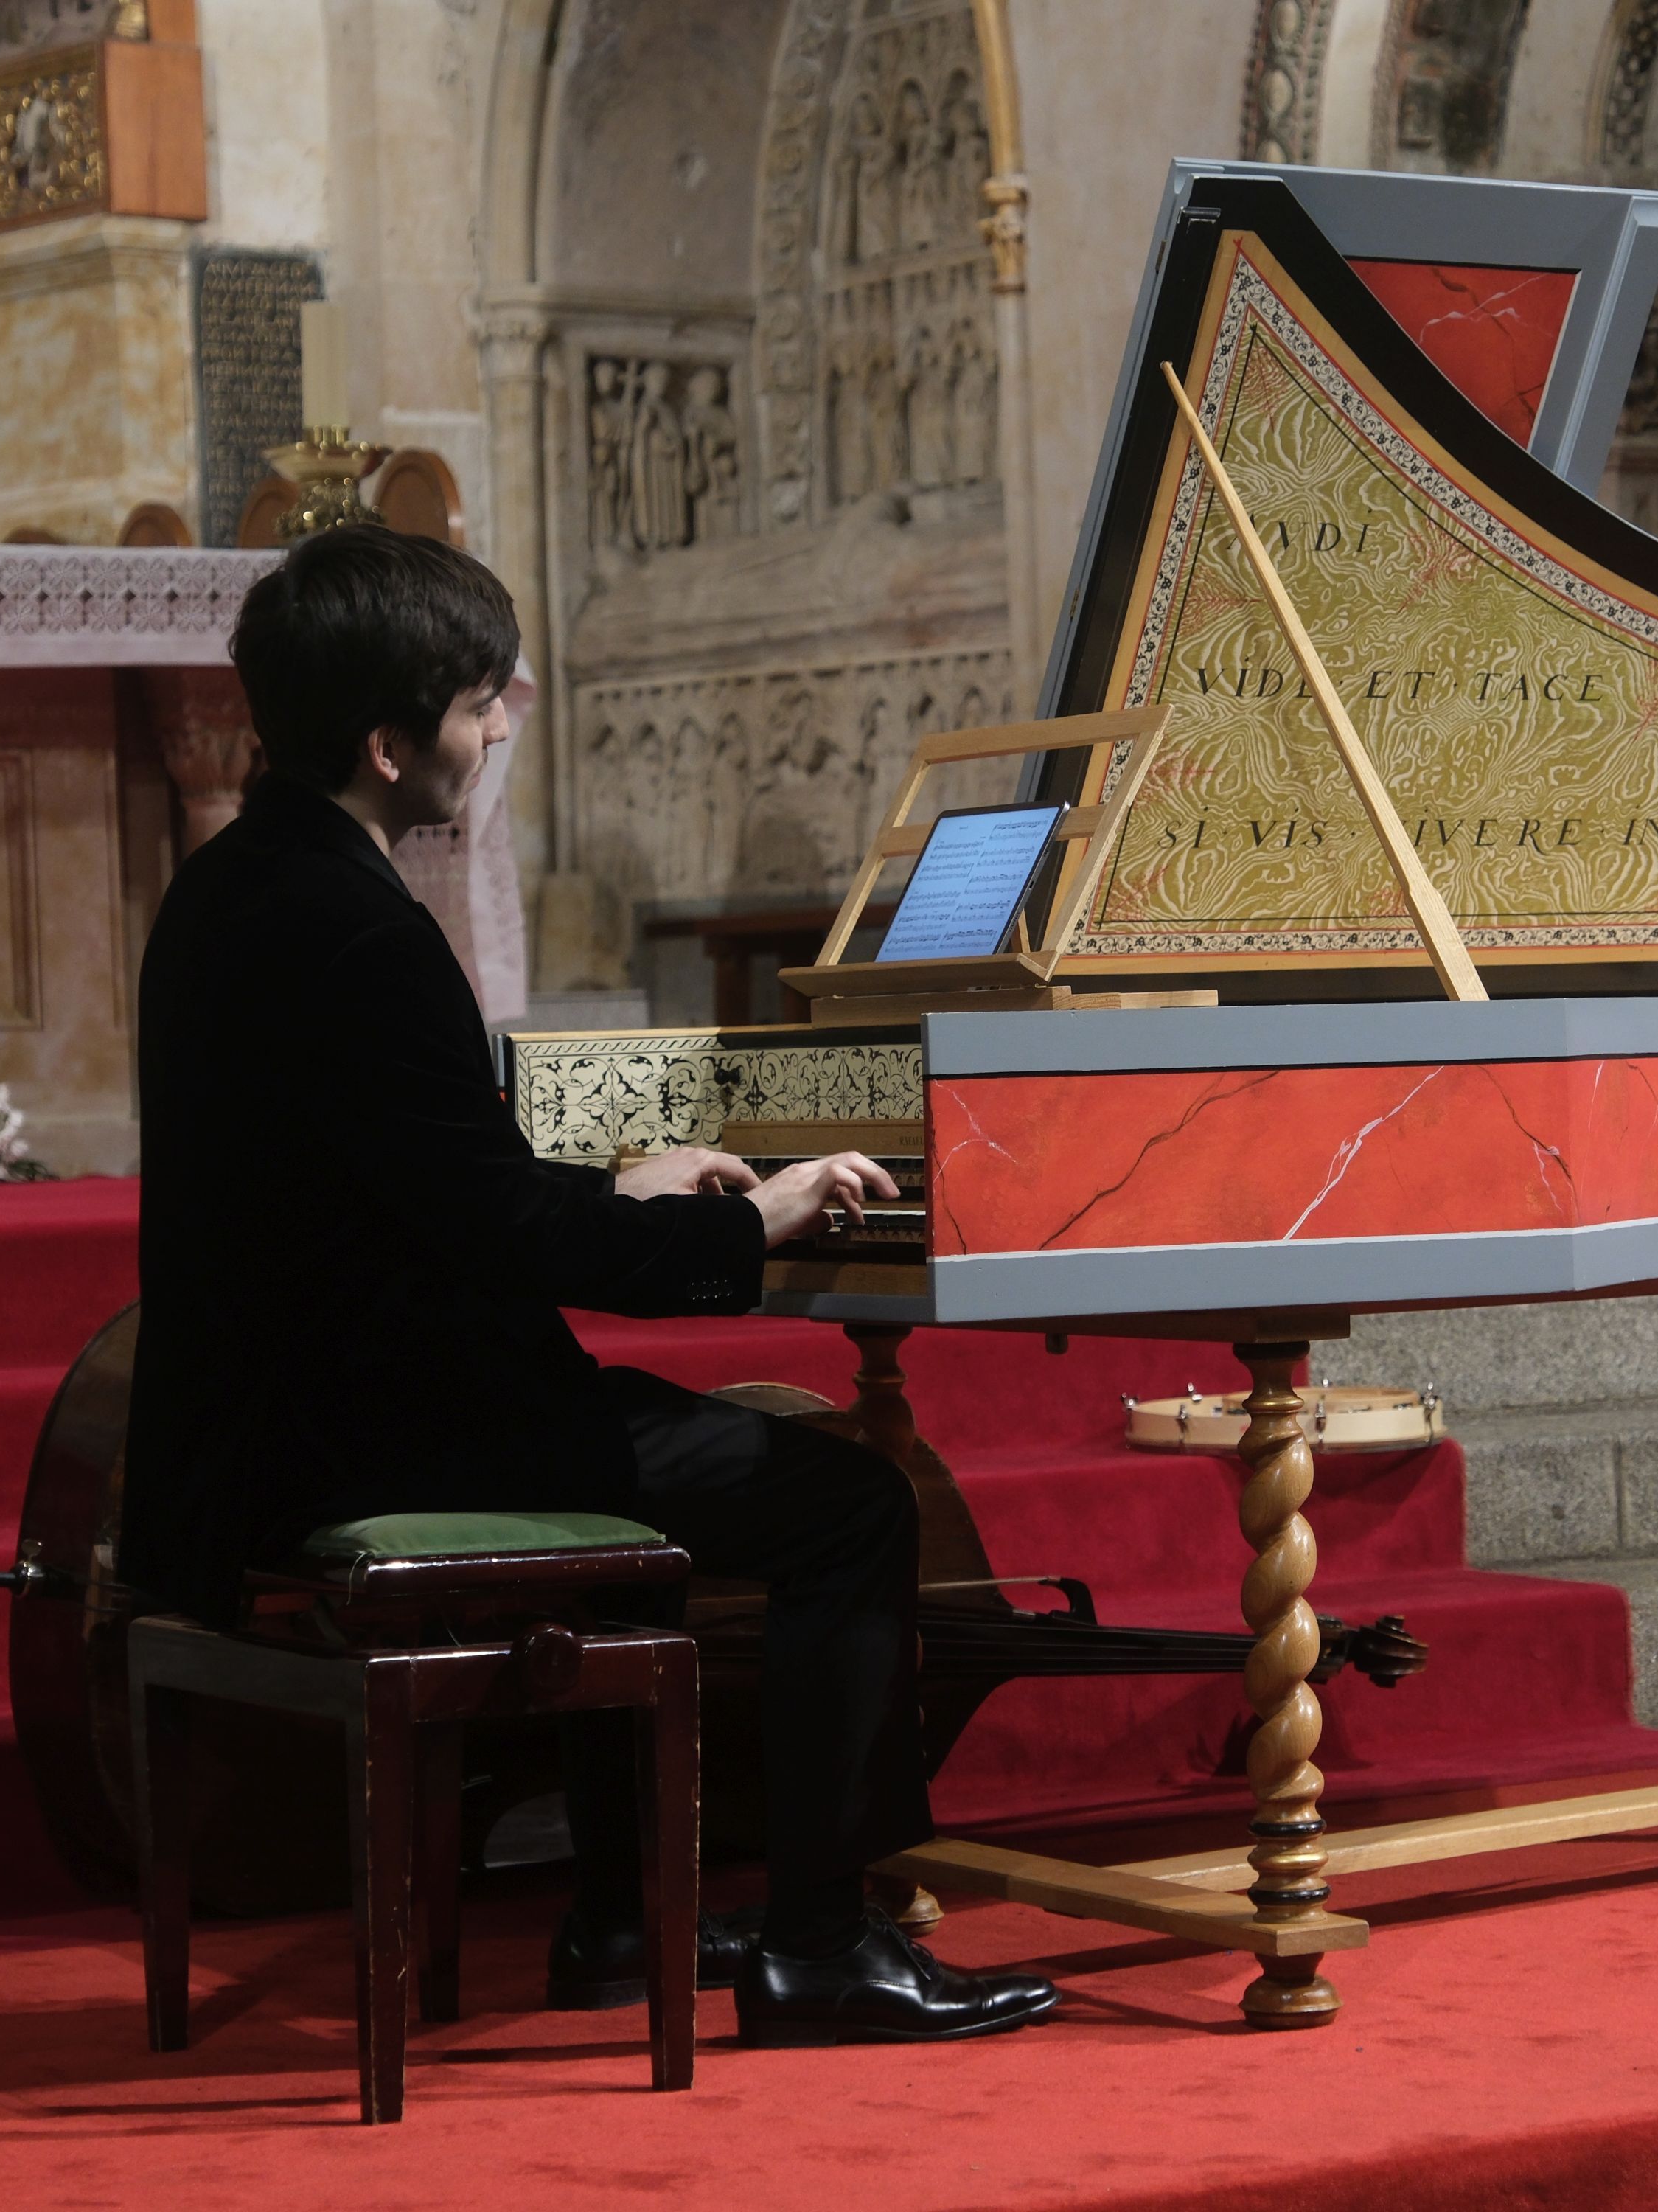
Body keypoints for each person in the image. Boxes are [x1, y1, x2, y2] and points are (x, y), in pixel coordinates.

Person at [119, 525, 1057, 2048]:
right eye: (481, 704)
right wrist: (755, 1224)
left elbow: (410, 1186)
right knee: (850, 1508)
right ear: (387, 738)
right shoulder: (359, 928)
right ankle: (825, 1945)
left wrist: (620, 1182)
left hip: (276, 1418)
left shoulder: (234, 888)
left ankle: (627, 1925)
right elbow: (502, 1238)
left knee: (663, 1491)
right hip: (384, 1434)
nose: (494, 735)